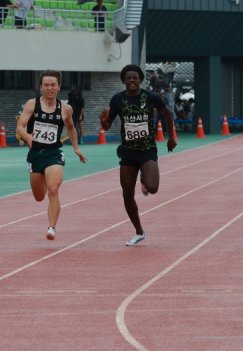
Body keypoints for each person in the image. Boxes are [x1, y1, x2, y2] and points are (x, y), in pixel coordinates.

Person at [100, 64, 176, 246]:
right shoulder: (117, 100)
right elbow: (107, 126)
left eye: (135, 78)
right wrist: (103, 121)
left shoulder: (151, 97)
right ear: (124, 81)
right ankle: (139, 231)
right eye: (128, 78)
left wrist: (171, 136)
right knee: (127, 194)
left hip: (147, 149)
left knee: (153, 187)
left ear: (141, 80)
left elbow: (167, 114)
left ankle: (144, 176)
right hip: (127, 151)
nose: (132, 81)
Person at [15, 70, 87, 240]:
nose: (50, 88)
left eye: (53, 85)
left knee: (53, 189)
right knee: (39, 196)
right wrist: (27, 136)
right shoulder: (32, 105)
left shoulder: (65, 109)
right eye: (46, 85)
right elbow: (20, 126)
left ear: (59, 87)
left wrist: (76, 147)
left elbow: (70, 127)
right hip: (35, 156)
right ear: (41, 87)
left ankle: (52, 227)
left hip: (54, 154)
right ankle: (46, 179)